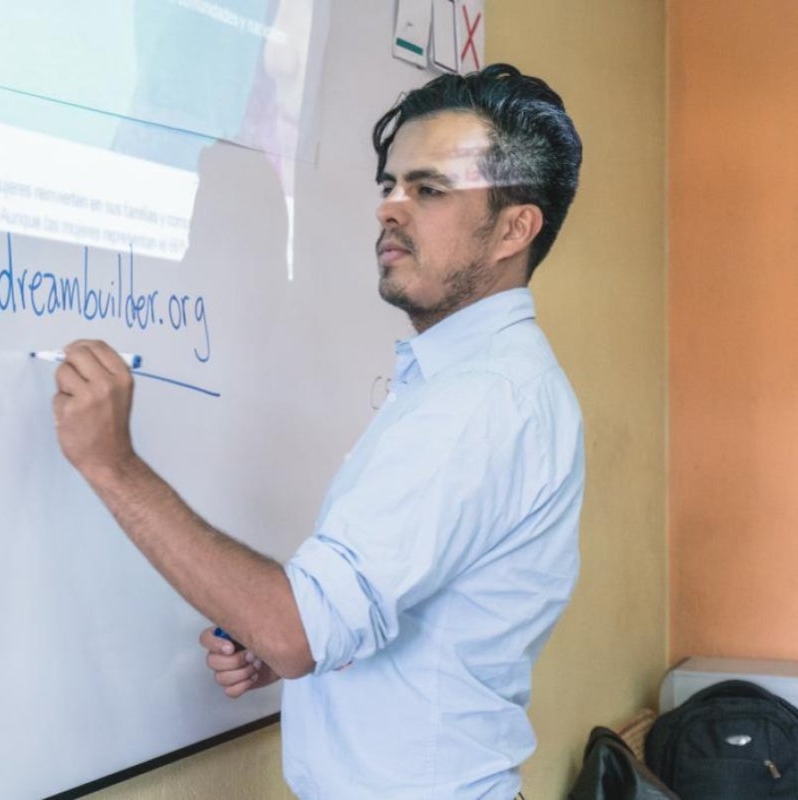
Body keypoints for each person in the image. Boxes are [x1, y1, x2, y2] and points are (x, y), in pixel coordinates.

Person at [49, 63, 585, 799]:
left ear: (514, 229)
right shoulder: (470, 383)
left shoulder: (480, 402)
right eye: (390, 186)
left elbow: (297, 631)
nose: (390, 209)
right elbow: (358, 620)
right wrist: (303, 643)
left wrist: (113, 466)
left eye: (429, 190)